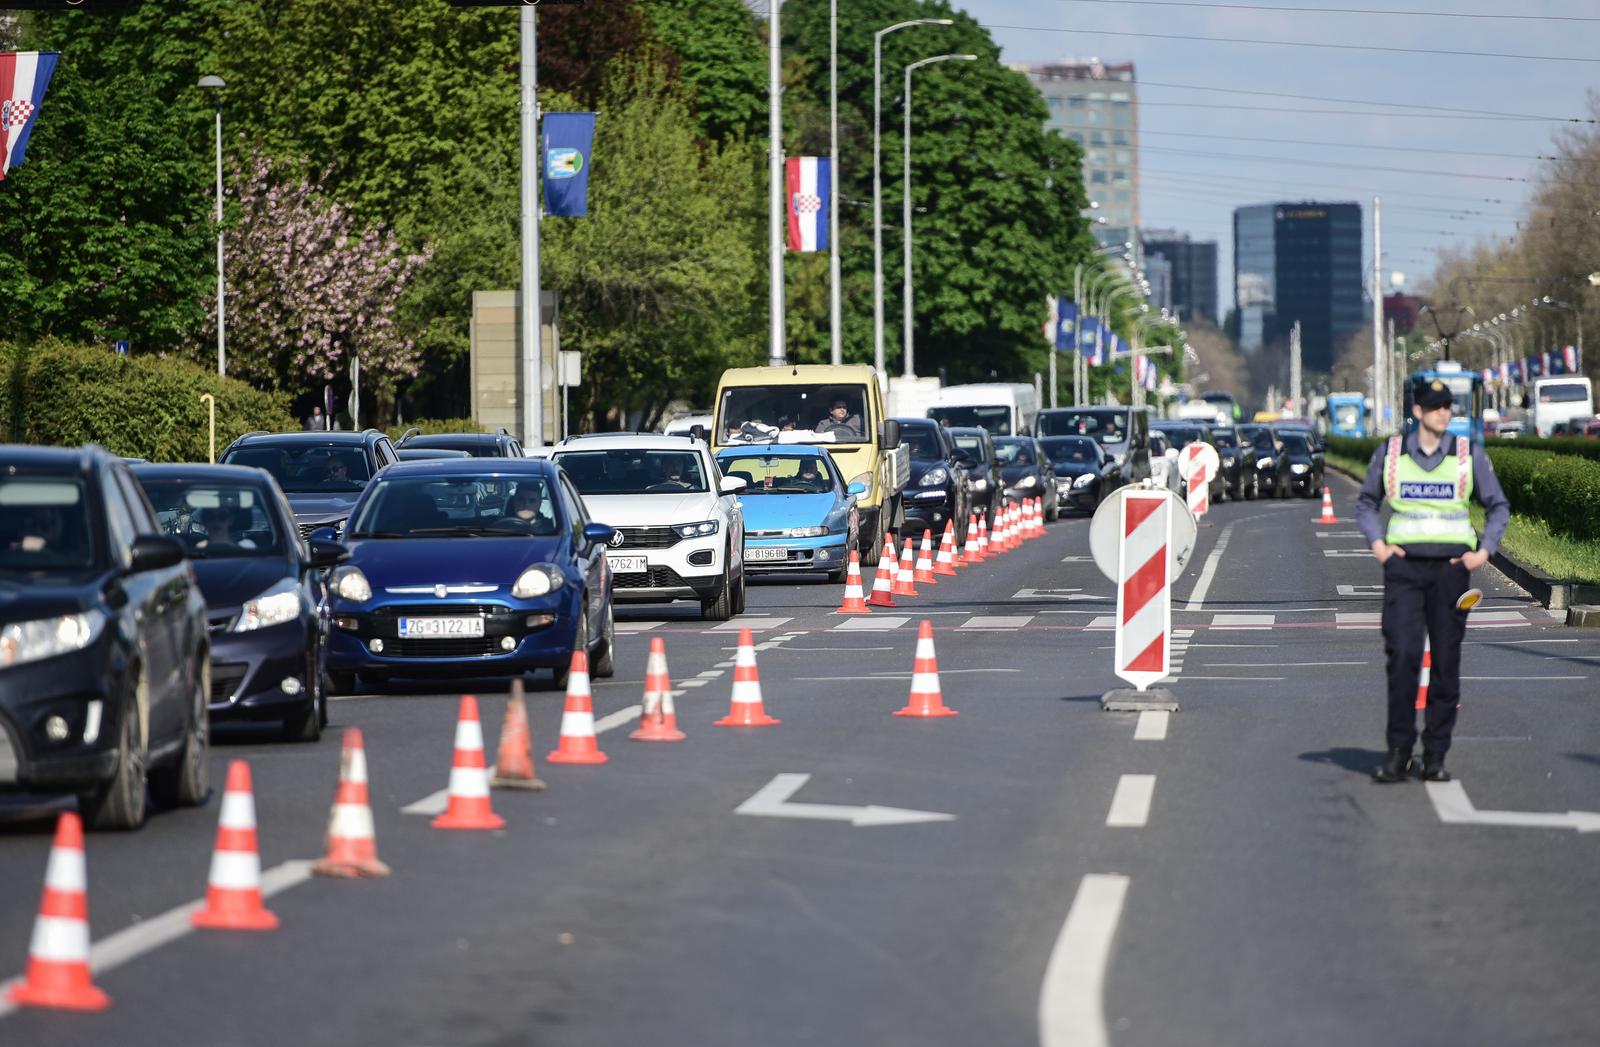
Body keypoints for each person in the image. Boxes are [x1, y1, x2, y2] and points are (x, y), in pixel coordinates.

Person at [1355, 379, 1510, 784]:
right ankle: (1399, 751)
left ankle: (1435, 754)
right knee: (1403, 658)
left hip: (1451, 572)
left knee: (1446, 663)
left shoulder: (1466, 455)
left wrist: (1483, 552)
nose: (1444, 411)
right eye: (1435, 405)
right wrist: (1379, 546)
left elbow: (1497, 505)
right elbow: (1367, 502)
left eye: (1447, 405)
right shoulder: (1390, 454)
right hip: (1404, 571)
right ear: (1418, 412)